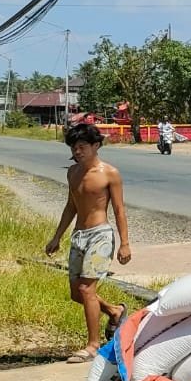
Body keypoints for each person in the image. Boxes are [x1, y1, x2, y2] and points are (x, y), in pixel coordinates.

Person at [45, 123, 130, 362]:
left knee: (87, 289)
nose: (77, 151)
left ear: (95, 146)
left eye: (82, 146)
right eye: (74, 147)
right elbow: (71, 206)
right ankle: (114, 311)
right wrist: (57, 237)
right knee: (77, 294)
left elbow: (119, 209)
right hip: (79, 236)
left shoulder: (109, 173)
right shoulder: (72, 173)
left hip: (100, 235)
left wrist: (124, 243)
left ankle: (92, 346)